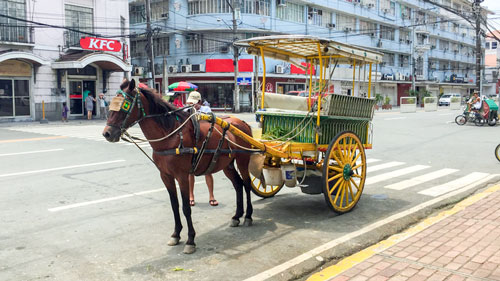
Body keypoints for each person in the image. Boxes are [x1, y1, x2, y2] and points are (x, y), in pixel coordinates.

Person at [186, 91, 218, 207]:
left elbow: (210, 124)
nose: (192, 105)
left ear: (199, 102)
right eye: (190, 103)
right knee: (190, 172)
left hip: (205, 143)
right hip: (192, 143)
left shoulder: (206, 110)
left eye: (194, 103)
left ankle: (211, 196)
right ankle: (191, 195)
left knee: (207, 171)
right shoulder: (187, 110)